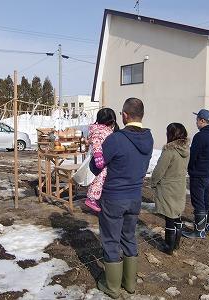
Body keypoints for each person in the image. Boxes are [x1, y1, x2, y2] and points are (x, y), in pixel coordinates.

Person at [90, 98, 153, 299]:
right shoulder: (149, 138)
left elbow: (96, 167)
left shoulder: (116, 139)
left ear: (124, 115)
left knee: (110, 239)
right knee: (128, 236)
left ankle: (113, 287)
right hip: (135, 196)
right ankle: (130, 283)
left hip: (114, 197)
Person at [182, 109, 209, 239]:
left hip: (198, 174)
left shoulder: (201, 136)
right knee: (206, 198)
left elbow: (193, 155)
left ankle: (199, 231)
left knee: (198, 201)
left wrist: (188, 167)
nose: (196, 122)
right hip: (208, 172)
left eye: (197, 120)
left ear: (202, 121)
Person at [151, 123, 190, 255]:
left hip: (168, 188)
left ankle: (169, 246)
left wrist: (153, 182)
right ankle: (176, 244)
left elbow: (159, 170)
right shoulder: (186, 149)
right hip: (179, 186)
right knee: (177, 216)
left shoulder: (170, 151)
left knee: (169, 218)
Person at [85, 108, 119, 212]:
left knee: (103, 179)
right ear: (111, 121)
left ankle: (97, 198)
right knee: (100, 178)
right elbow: (96, 143)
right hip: (101, 159)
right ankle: (91, 198)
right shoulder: (99, 130)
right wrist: (98, 156)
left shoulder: (104, 129)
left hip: (106, 158)